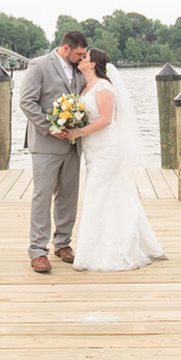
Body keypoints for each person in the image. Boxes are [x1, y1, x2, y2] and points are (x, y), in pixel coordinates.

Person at [60, 49, 167, 272]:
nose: (81, 59)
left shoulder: (104, 87)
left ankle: (104, 251)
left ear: (92, 64)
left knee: (97, 196)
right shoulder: (86, 86)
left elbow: (108, 120)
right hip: (93, 151)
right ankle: (122, 238)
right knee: (110, 195)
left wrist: (80, 132)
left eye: (86, 57)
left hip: (107, 150)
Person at [18, 30, 88, 272]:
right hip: (46, 144)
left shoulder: (80, 69)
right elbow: (27, 102)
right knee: (43, 196)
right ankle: (37, 250)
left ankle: (63, 243)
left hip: (72, 144)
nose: (82, 58)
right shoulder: (38, 66)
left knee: (68, 196)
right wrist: (49, 128)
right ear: (66, 48)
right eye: (79, 54)